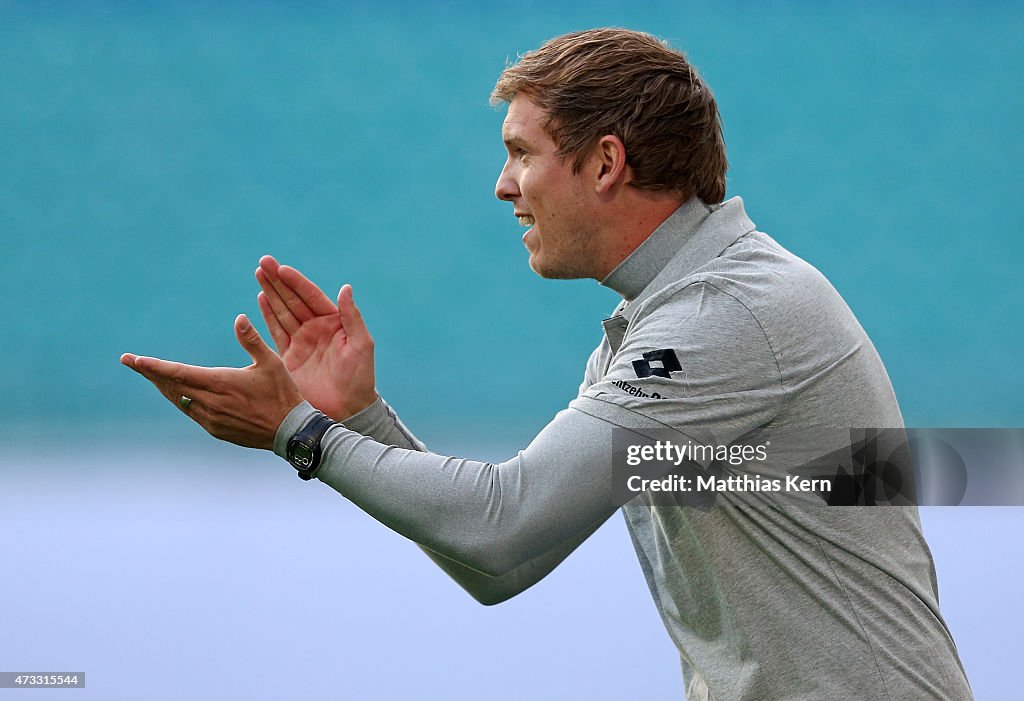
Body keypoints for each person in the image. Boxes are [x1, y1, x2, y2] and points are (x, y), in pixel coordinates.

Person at [121, 28, 973, 700]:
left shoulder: (724, 316)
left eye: (521, 152)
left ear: (606, 162)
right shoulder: (662, 321)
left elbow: (502, 524)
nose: (503, 185)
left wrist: (301, 434)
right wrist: (362, 421)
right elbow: (504, 564)